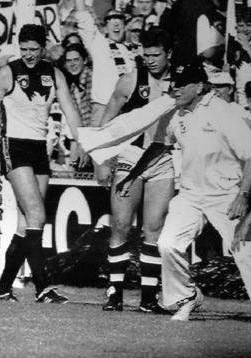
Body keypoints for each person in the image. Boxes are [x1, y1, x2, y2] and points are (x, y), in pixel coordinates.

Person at [121, 63, 251, 320]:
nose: (176, 88)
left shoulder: (223, 112)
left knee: (246, 252)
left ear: (199, 86)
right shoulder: (175, 113)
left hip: (226, 194)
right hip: (191, 194)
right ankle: (188, 295)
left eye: (183, 84)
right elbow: (159, 146)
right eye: (175, 83)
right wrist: (133, 175)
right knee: (168, 244)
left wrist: (243, 195)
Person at [0, 24, 85, 303]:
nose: (28, 55)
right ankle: (43, 288)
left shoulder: (55, 74)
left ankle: (2, 289)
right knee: (37, 214)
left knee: (27, 224)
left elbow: (71, 110)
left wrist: (79, 141)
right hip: (14, 146)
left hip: (40, 149)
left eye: (33, 50)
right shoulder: (6, 74)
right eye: (23, 49)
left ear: (44, 48)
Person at [94, 28, 174, 313]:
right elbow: (107, 121)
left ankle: (148, 298)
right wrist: (102, 161)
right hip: (131, 157)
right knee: (121, 225)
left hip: (163, 160)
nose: (151, 60)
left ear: (169, 54)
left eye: (156, 55)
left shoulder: (178, 82)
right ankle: (114, 293)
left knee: (153, 228)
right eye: (147, 55)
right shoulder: (131, 80)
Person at [75, 0, 137, 124]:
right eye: (111, 21)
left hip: (127, 110)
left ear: (125, 27)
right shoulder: (98, 44)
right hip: (103, 108)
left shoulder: (133, 52)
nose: (116, 25)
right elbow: (83, 17)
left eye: (120, 21)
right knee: (99, 143)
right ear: (105, 27)